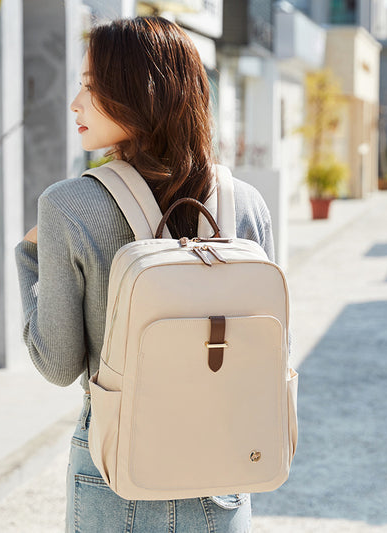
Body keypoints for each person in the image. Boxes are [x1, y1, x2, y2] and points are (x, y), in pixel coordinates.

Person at [15, 16, 275, 533]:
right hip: (225, 456)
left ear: (140, 93)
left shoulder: (70, 204)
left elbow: (57, 363)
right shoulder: (246, 203)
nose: (75, 104)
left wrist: (28, 259)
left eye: (90, 87)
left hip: (118, 466)